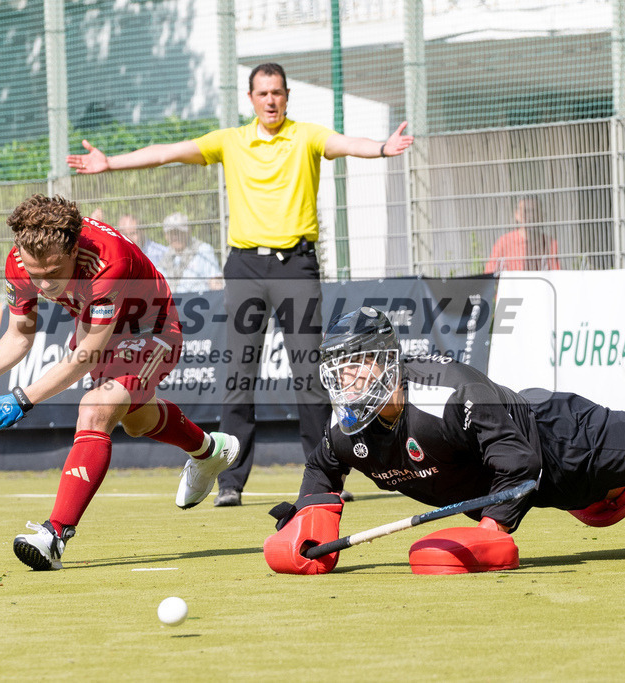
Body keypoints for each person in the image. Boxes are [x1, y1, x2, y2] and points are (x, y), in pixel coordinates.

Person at [67, 62, 414, 507]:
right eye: (263, 93)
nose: (271, 100)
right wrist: (110, 162)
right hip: (246, 269)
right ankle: (230, 481)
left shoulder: (306, 135)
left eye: (278, 93)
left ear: (287, 96)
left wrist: (383, 148)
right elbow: (168, 152)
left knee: (310, 374)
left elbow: (347, 144)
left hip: (296, 267)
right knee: (239, 372)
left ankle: (326, 476)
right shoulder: (231, 141)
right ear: (251, 99)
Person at [263, 306, 625, 575]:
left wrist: (492, 532)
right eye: (338, 370)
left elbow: (520, 462)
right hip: (556, 489)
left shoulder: (450, 393)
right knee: (601, 508)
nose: (346, 379)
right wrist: (311, 513)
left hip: (560, 438)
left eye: (355, 364)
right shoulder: (347, 432)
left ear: (387, 360)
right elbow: (321, 467)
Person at [0, 194, 240, 571]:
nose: (45, 286)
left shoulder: (107, 260)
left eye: (54, 273)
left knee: (96, 408)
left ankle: (54, 535)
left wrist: (22, 398)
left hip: (152, 328)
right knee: (134, 420)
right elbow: (20, 334)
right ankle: (209, 451)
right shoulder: (20, 261)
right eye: (36, 276)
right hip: (97, 326)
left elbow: (88, 353)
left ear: (73, 248)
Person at [484, 196, 560, 273]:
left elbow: (556, 275)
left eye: (534, 211)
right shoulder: (505, 242)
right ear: (517, 214)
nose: (530, 216)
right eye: (525, 211)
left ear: (540, 215)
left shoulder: (550, 243)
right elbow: (489, 272)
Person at [157, 212, 221, 293]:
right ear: (166, 236)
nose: (175, 237)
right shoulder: (163, 256)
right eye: (171, 233)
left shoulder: (203, 250)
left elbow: (216, 285)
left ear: (188, 232)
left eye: (178, 232)